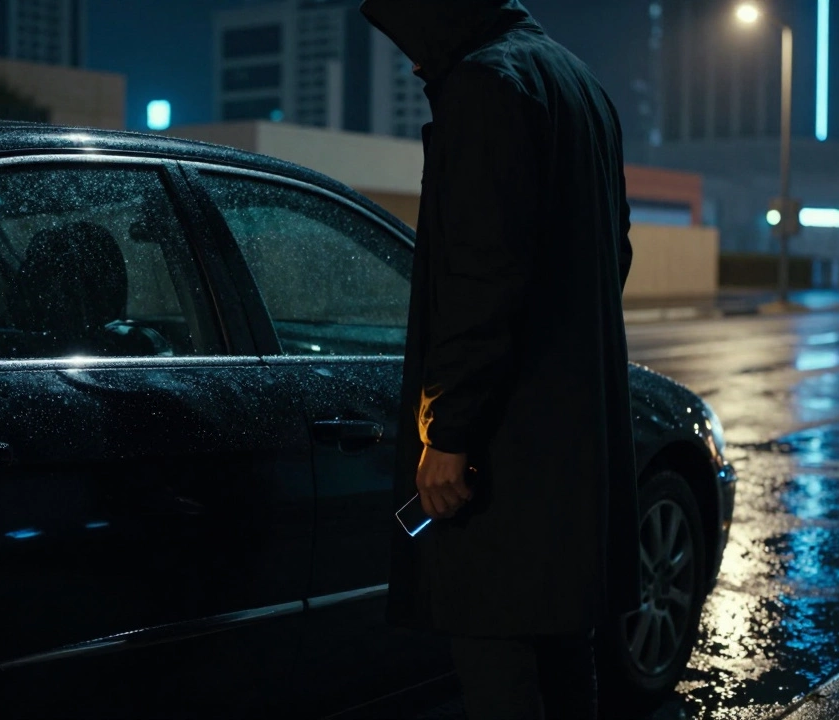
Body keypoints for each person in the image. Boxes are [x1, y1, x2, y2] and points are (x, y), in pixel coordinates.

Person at [360, 1, 640, 718]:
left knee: (499, 667)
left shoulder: (484, 85)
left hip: (503, 458)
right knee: (566, 658)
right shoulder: (581, 86)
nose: (414, 63)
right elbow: (615, 253)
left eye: (414, 40)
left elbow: (479, 279)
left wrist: (449, 434)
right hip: (570, 448)